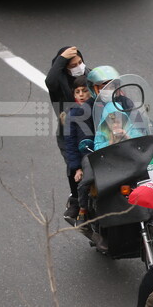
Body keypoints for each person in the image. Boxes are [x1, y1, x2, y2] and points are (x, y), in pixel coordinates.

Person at [46, 46, 88, 218]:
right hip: (70, 132)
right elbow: (50, 81)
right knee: (74, 164)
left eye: (80, 62)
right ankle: (76, 200)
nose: (79, 67)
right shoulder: (58, 84)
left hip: (92, 128)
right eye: (73, 65)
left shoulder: (89, 77)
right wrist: (61, 59)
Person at [62, 77, 95, 224]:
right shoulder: (72, 115)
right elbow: (70, 144)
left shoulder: (98, 108)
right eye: (77, 92)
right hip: (84, 156)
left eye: (84, 90)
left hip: (102, 151)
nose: (81, 94)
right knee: (85, 183)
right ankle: (82, 209)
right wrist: (77, 168)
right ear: (74, 95)